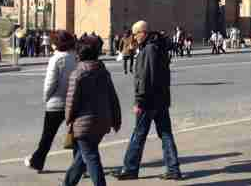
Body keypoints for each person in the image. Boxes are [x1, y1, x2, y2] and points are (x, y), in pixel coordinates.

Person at [115, 21, 182, 181]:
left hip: (149, 101)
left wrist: (139, 101)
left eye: (136, 34)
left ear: (143, 33)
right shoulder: (158, 46)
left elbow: (145, 78)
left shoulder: (149, 49)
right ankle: (173, 169)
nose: (134, 37)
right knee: (165, 134)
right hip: (161, 99)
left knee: (138, 134)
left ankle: (130, 169)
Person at [62, 37, 121, 186]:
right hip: (102, 122)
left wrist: (69, 119)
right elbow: (112, 97)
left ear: (80, 54)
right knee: (83, 157)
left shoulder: (78, 74)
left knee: (91, 157)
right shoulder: (103, 72)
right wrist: (116, 119)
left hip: (84, 124)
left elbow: (71, 101)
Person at [25, 31, 79, 173]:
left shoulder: (56, 59)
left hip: (56, 103)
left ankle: (37, 161)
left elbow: (50, 83)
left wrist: (47, 98)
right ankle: (80, 166)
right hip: (73, 102)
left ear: (58, 43)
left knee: (47, 137)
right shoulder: (76, 58)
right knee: (76, 137)